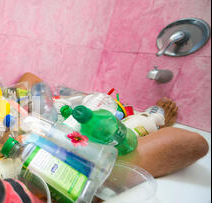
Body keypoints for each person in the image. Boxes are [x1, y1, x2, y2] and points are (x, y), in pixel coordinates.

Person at [17, 72, 209, 178]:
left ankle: (79, 103)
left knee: (31, 82)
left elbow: (30, 78)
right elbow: (196, 143)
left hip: (41, 126)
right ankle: (154, 121)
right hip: (76, 158)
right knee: (190, 143)